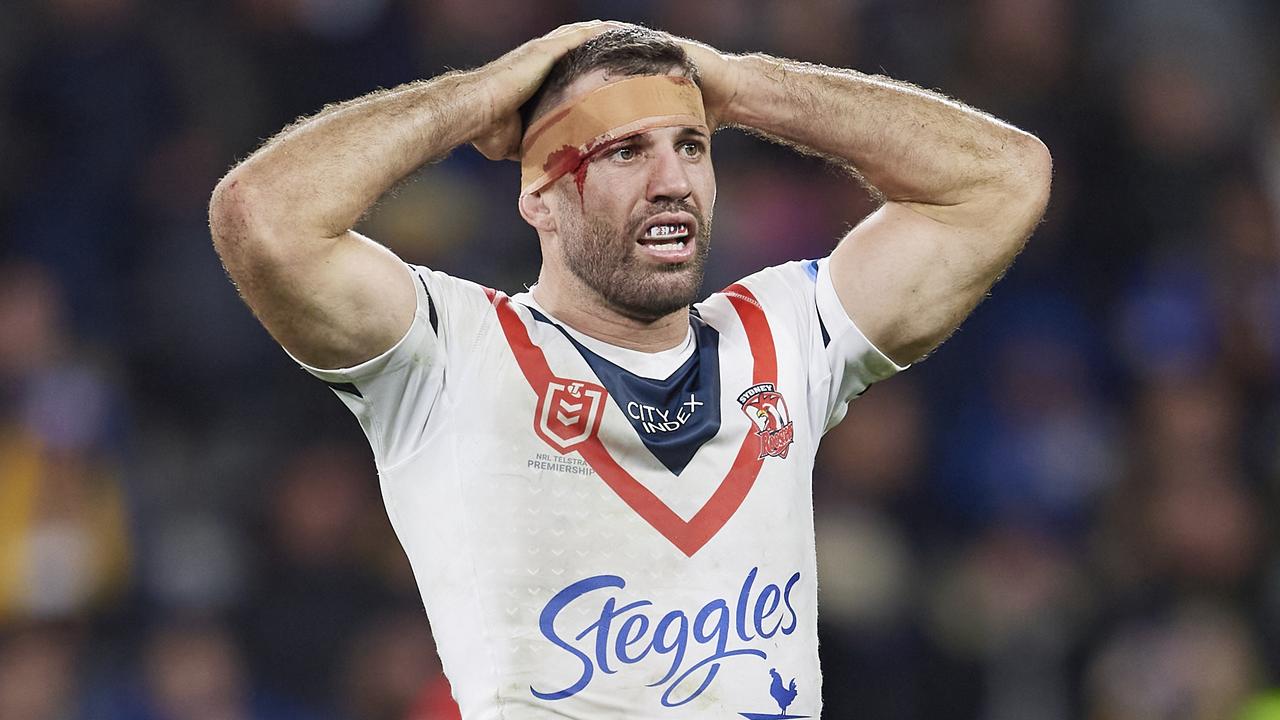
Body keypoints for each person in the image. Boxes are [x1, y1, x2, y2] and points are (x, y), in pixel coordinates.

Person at [208, 20, 1051, 720]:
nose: (672, 181)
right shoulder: (452, 354)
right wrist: (482, 94)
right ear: (539, 195)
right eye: (623, 153)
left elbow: (1005, 179)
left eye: (691, 145)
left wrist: (745, 85)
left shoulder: (786, 335)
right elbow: (264, 217)